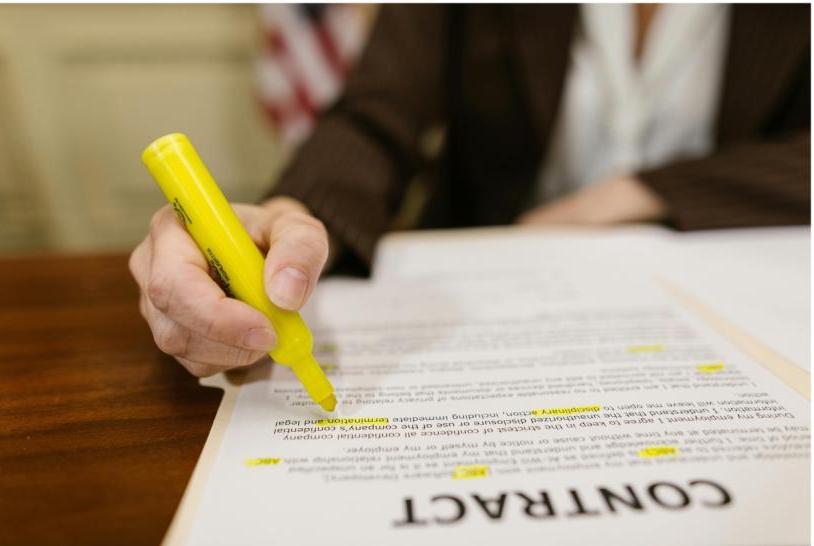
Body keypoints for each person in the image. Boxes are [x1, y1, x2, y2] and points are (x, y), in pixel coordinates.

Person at [129, 4, 810, 378]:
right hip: (479, 291)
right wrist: (289, 217)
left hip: (732, 296)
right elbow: (376, 117)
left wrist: (640, 191)